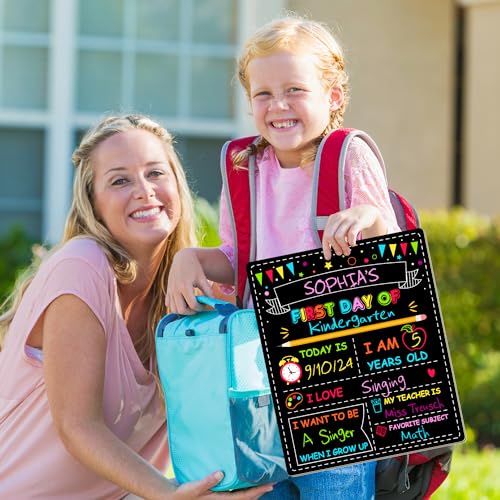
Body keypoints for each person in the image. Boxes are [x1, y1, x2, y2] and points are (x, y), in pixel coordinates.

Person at [165, 16, 402, 500]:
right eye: (263, 94)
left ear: (333, 96)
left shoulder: (347, 156)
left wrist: (365, 217)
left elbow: (394, 250)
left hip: (337, 381)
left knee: (333, 489)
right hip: (258, 380)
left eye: (295, 88)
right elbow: (241, 257)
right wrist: (195, 258)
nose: (278, 106)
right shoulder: (244, 165)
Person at [0, 114, 274, 500]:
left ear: (178, 185)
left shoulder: (193, 296)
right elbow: (77, 426)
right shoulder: (81, 266)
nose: (144, 190)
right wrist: (169, 493)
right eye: (119, 180)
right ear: (93, 205)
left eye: (155, 173)